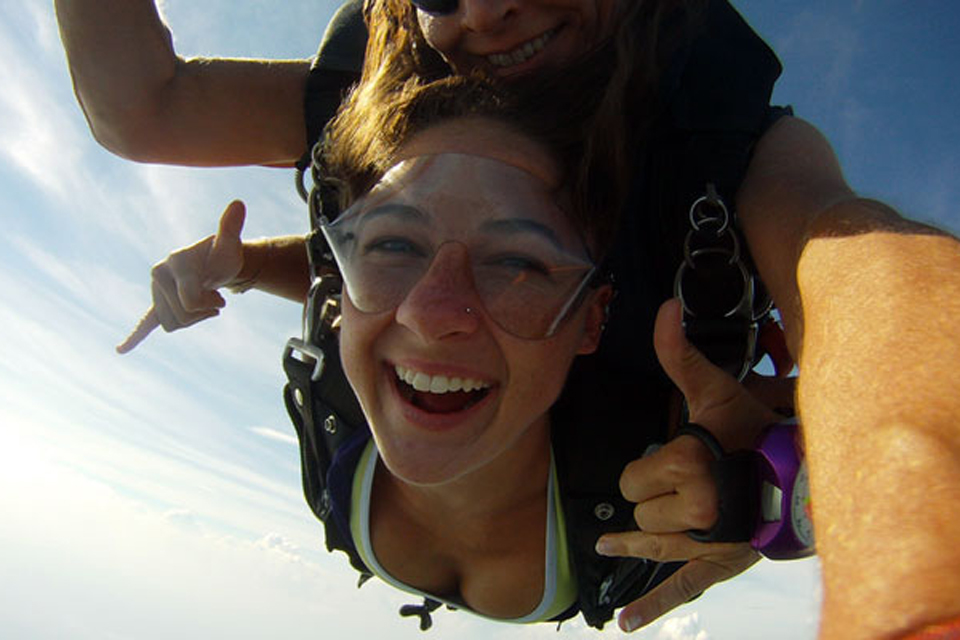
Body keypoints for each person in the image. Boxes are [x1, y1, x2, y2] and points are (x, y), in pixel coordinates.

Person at [58, 1, 960, 637]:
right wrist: (249, 266)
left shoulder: (719, 149)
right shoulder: (374, 107)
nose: (483, 14)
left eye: (522, 261)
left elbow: (855, 259)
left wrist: (860, 502)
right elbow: (142, 108)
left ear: (597, 311)